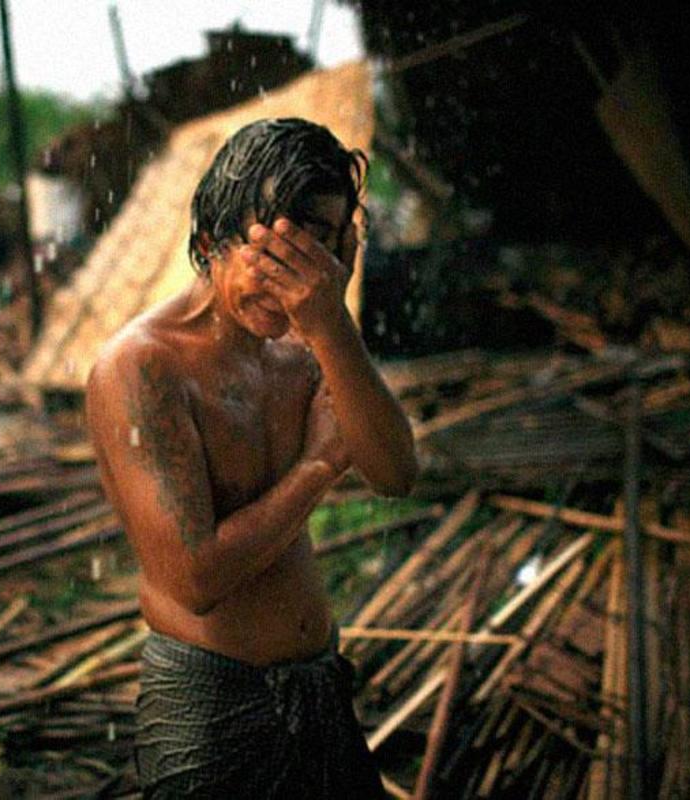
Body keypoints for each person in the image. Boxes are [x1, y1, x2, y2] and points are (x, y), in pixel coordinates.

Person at [84, 118, 417, 798]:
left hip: (319, 688)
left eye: (316, 261)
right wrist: (319, 467)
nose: (293, 291)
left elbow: (396, 474)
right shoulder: (143, 366)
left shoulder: (306, 343)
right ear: (211, 245)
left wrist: (332, 320)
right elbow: (195, 578)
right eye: (273, 265)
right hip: (211, 712)